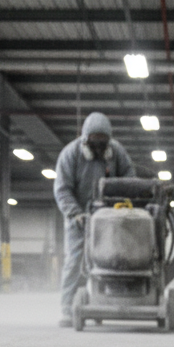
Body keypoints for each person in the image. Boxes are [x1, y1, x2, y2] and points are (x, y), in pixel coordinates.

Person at [52, 112, 135, 326]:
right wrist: (75, 213)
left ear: (108, 140)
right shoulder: (70, 154)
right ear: (85, 139)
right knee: (75, 261)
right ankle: (67, 308)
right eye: (94, 143)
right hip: (79, 218)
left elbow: (129, 177)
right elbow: (62, 189)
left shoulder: (116, 152)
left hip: (110, 219)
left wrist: (123, 204)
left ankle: (101, 303)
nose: (98, 149)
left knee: (110, 261)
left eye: (102, 143)